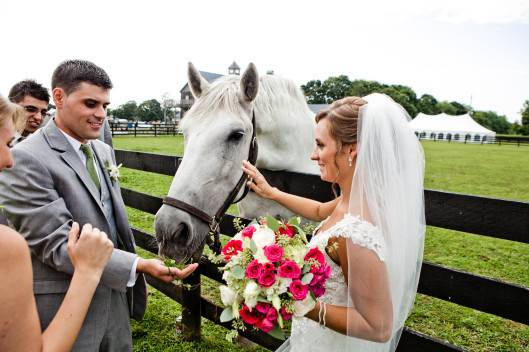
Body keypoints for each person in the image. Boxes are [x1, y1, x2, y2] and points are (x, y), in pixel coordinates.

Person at [0, 60, 198, 351]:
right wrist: (139, 265)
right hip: (63, 305)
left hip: (114, 302)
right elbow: (57, 243)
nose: (101, 115)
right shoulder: (26, 158)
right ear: (58, 97)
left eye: (105, 105)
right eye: (90, 104)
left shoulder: (102, 150)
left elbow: (112, 221)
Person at [242, 93, 425, 351]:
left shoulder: (357, 233)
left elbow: (379, 326)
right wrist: (271, 192)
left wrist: (304, 304)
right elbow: (317, 210)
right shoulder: (351, 200)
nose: (313, 156)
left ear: (351, 150)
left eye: (320, 145)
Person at [0, 95, 114, 351]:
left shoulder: (102, 149)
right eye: (7, 143)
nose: (10, 159)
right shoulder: (7, 246)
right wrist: (87, 272)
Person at [8, 79, 50, 144]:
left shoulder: (43, 144)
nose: (39, 117)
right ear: (11, 106)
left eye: (43, 113)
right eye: (30, 109)